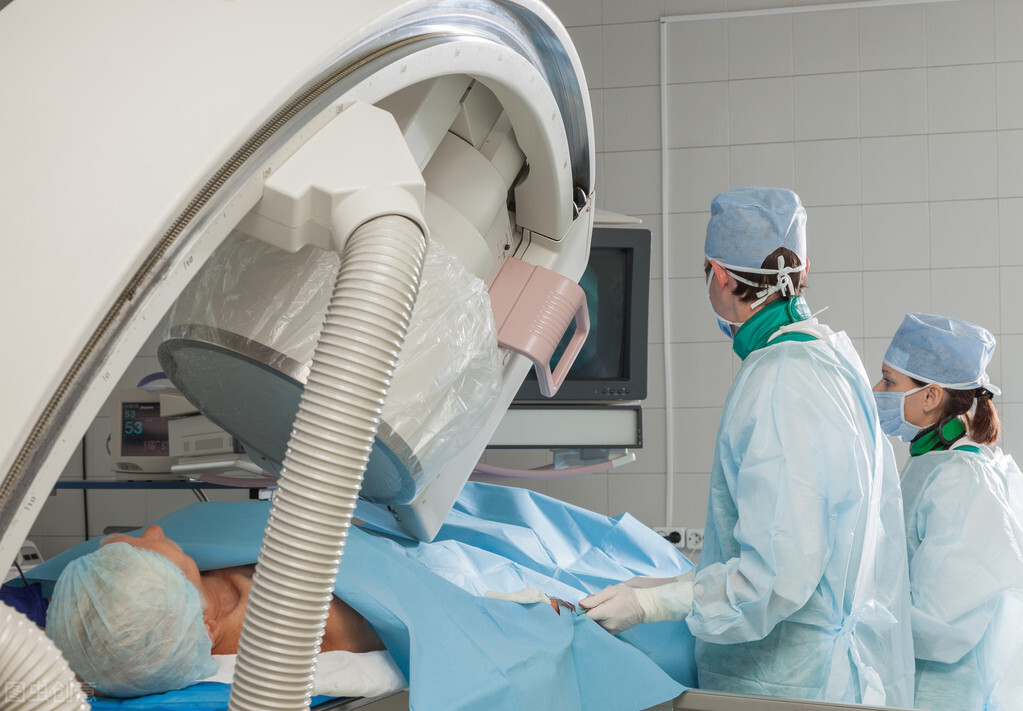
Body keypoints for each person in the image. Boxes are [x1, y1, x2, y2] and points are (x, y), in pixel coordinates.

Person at [581, 187, 915, 706]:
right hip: (822, 675)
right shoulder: (831, 359)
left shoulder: (781, 379)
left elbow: (778, 574)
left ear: (719, 275)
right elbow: (802, 535)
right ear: (803, 271)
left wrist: (654, 606)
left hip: (782, 682)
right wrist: (670, 586)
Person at [33, 482, 695, 709]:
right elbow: (440, 622)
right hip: (460, 581)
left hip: (401, 535)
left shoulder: (180, 583)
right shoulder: (296, 632)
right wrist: (525, 613)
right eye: (145, 549)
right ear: (199, 623)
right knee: (635, 583)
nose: (147, 531)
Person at [872, 313, 1023, 710]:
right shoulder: (933, 465)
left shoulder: (961, 478)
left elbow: (945, 623)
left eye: (888, 380)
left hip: (943, 694)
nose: (876, 390)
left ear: (930, 396)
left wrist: (864, 612)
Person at [45, 525, 385, 698]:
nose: (154, 531)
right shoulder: (306, 621)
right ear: (205, 630)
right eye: (153, 550)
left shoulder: (169, 607)